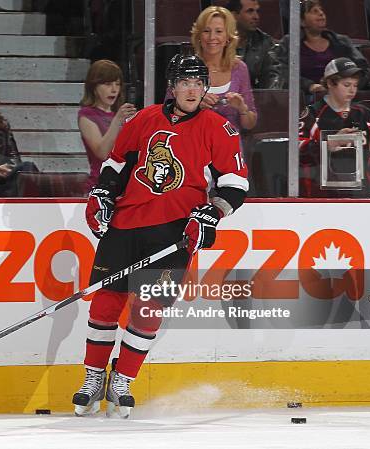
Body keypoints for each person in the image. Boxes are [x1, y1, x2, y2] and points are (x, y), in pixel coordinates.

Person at [73, 55, 248, 418]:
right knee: (106, 301)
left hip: (175, 232)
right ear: (173, 86)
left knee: (149, 309)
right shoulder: (143, 119)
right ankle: (93, 378)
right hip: (126, 223)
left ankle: (121, 380)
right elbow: (116, 163)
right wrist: (103, 192)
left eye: (200, 83)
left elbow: (235, 183)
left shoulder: (218, 128)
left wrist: (212, 212)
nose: (193, 90)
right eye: (186, 82)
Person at [167, 6, 257, 132]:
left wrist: (242, 108)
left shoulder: (239, 69)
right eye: (206, 31)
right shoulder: (184, 66)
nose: (211, 37)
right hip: (192, 142)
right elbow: (167, 114)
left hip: (228, 146)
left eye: (219, 31)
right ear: (198, 35)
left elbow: (250, 124)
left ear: (228, 37)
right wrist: (194, 105)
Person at [298, 57, 370, 198]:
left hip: (361, 195)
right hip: (320, 195)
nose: (352, 90)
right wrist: (328, 144)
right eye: (347, 85)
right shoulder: (311, 114)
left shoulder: (364, 114)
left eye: (355, 85)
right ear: (330, 83)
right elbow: (296, 151)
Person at [275, 0, 370, 99]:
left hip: (342, 96)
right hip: (305, 97)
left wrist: (348, 87)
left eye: (321, 11)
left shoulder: (342, 41)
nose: (321, 13)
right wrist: (309, 86)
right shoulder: (289, 42)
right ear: (302, 21)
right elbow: (282, 72)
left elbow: (364, 69)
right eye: (314, 11)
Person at [78, 59, 136, 191]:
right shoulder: (87, 115)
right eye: (108, 84)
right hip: (100, 186)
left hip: (125, 184)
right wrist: (117, 121)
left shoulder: (120, 114)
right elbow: (102, 153)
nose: (114, 89)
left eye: (118, 84)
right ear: (94, 87)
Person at [225, 0, 282, 89]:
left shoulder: (265, 43)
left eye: (257, 11)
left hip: (254, 99)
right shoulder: (216, 40)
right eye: (250, 11)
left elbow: (272, 78)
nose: (256, 17)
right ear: (233, 15)